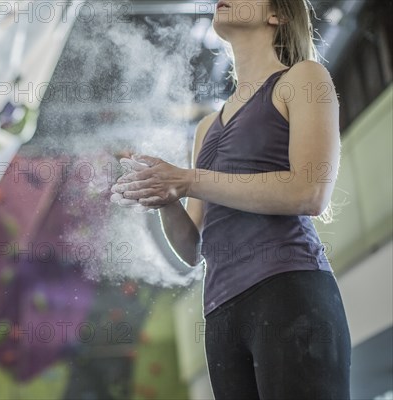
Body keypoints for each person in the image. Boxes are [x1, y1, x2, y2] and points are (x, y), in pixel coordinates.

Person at [110, 0, 352, 398]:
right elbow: (193, 249)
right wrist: (166, 195)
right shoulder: (207, 127)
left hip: (286, 289)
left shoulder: (303, 79)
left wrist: (189, 179)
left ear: (278, 15)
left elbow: (309, 192)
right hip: (221, 314)